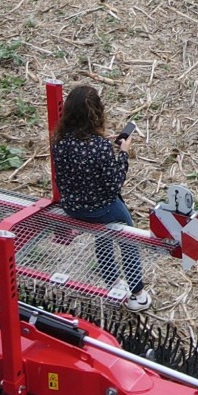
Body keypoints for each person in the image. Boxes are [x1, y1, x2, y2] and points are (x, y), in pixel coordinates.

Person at [49, 84, 147, 309]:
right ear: (97, 112)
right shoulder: (100, 146)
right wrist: (123, 154)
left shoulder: (59, 142)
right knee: (128, 236)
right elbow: (114, 185)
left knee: (102, 235)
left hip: (72, 207)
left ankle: (113, 283)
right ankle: (138, 293)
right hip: (101, 208)